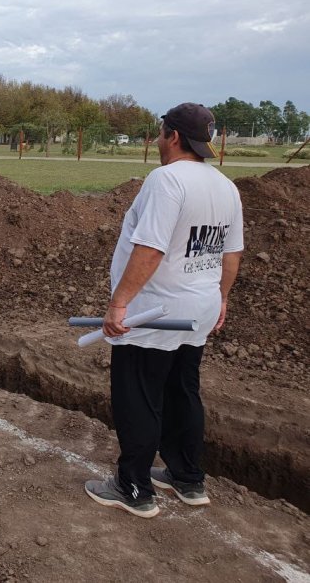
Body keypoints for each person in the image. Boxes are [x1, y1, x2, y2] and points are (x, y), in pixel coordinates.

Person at [85, 103, 244, 518]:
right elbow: (232, 254)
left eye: (160, 133)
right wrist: (221, 298)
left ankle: (134, 487)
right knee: (182, 390)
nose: (157, 141)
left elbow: (150, 247)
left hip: (153, 311)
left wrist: (119, 303)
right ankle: (188, 477)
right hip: (199, 307)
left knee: (138, 394)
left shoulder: (166, 179)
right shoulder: (225, 186)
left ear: (173, 136)